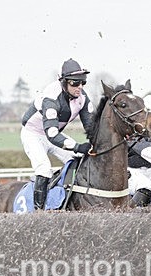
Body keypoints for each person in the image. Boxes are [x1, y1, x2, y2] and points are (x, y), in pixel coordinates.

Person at [21, 58, 96, 210]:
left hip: (53, 135)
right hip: (33, 135)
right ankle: (38, 212)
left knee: (78, 161)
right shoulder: (51, 98)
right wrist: (77, 146)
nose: (79, 87)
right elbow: (52, 134)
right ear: (64, 82)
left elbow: (92, 127)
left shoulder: (82, 97)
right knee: (43, 169)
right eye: (75, 83)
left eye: (82, 82)